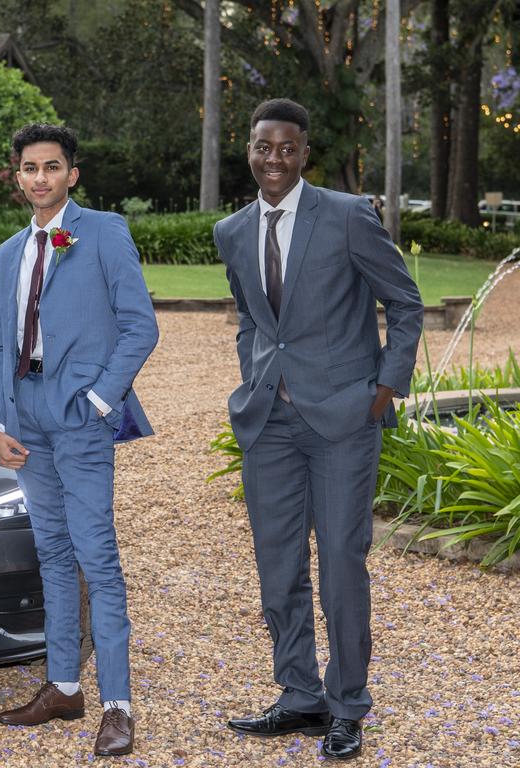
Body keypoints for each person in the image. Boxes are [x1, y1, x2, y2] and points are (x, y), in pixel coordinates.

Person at [214, 99, 423, 761]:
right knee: (278, 570)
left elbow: (405, 302)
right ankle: (299, 694)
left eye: (286, 148)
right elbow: (253, 319)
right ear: (248, 149)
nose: (273, 159)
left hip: (343, 420)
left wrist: (384, 388)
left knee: (339, 564)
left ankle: (347, 705)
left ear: (304, 154)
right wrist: (254, 377)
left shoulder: (347, 216)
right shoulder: (232, 231)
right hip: (268, 422)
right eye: (262, 146)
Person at [0, 123, 158, 757]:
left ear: (71, 174)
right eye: (30, 168)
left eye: (52, 167)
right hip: (26, 422)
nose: (41, 178)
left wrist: (99, 400)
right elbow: (1, 345)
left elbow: (141, 327)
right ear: (17, 176)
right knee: (52, 555)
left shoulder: (104, 232)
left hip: (81, 420)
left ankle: (117, 705)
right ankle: (62, 688)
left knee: (97, 559)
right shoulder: (6, 253)